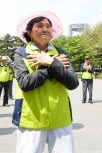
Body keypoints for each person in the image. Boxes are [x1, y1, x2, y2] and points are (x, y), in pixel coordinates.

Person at [13, 11, 79, 153]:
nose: (45, 29)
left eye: (48, 26)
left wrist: (51, 62)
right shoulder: (21, 53)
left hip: (60, 118)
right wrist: (51, 66)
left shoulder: (62, 53)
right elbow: (25, 84)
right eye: (40, 25)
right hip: (31, 119)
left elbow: (73, 83)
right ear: (29, 32)